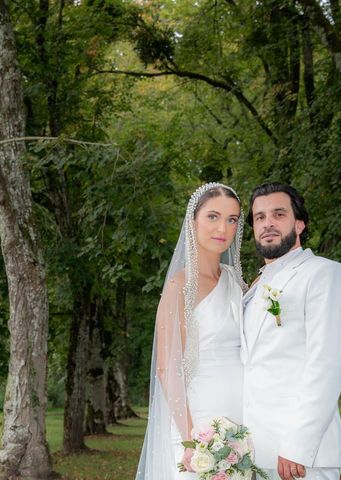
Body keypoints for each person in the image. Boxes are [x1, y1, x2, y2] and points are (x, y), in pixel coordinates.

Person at [136, 182, 248, 480]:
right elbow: (166, 368)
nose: (222, 227)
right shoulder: (180, 287)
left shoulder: (236, 282)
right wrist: (191, 440)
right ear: (193, 220)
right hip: (200, 423)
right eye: (213, 216)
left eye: (232, 219)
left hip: (242, 420)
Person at [241, 183, 341, 480]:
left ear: (299, 223)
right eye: (260, 217)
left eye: (279, 214)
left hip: (301, 457)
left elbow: (326, 363)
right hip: (254, 452)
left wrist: (298, 445)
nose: (268, 223)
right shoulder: (252, 288)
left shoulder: (324, 273)